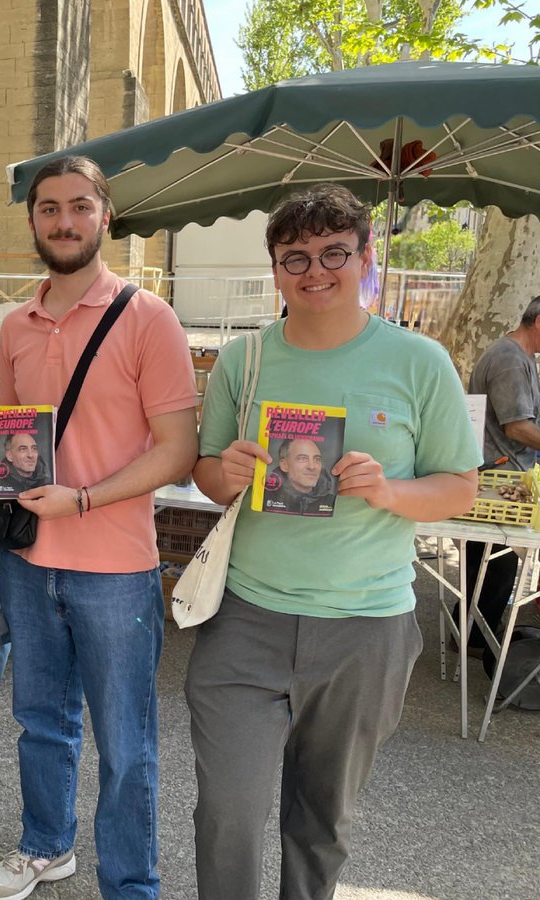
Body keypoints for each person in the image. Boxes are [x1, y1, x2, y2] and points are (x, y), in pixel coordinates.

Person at [187, 182, 480, 900]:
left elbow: (460, 487)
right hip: (246, 620)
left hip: (366, 627)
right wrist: (224, 473)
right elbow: (203, 473)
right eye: (296, 257)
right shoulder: (243, 360)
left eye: (334, 253)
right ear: (276, 268)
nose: (315, 271)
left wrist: (390, 491)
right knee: (229, 809)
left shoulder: (420, 362)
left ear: (365, 256)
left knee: (322, 821)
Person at [0, 155, 198, 900]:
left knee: (126, 743)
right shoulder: (13, 324)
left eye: (79, 206)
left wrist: (82, 499)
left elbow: (178, 450)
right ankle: (46, 844)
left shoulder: (148, 318)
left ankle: (131, 885)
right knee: (41, 719)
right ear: (34, 219)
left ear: (106, 213)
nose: (64, 222)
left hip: (115, 567)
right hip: (29, 559)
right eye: (48, 209)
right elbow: (16, 434)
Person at [455, 298, 540, 650]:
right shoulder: (509, 360)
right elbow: (517, 426)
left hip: (502, 473)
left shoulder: (521, 357)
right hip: (497, 475)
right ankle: (475, 639)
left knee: (488, 565)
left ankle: (471, 633)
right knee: (494, 564)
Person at [262, 437, 336, 515]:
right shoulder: (264, 498)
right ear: (284, 465)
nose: (312, 467)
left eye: (317, 459)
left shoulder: (331, 501)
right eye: (302, 459)